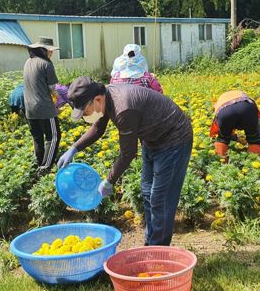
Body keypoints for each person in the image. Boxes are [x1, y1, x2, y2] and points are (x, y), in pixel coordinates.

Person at [57, 76, 193, 246]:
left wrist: (109, 180)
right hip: (153, 139)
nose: (86, 115)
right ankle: (152, 244)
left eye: (85, 111)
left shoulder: (123, 108)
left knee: (160, 198)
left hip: (174, 140)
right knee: (147, 193)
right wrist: (74, 148)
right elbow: (98, 128)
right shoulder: (105, 96)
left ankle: (158, 252)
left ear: (97, 99)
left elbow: (128, 153)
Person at [23, 37, 61, 172]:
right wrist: (62, 99)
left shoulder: (28, 62)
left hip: (29, 108)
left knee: (37, 137)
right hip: (44, 108)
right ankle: (46, 167)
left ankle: (38, 164)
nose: (52, 53)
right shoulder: (46, 64)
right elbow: (52, 88)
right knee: (54, 137)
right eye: (50, 51)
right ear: (43, 50)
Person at [209, 90, 260, 162]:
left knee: (223, 139)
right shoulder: (244, 96)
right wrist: (256, 135)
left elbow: (224, 126)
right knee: (254, 139)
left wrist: (231, 136)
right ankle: (252, 163)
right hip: (246, 108)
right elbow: (257, 123)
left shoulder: (220, 102)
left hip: (225, 111)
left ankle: (222, 163)